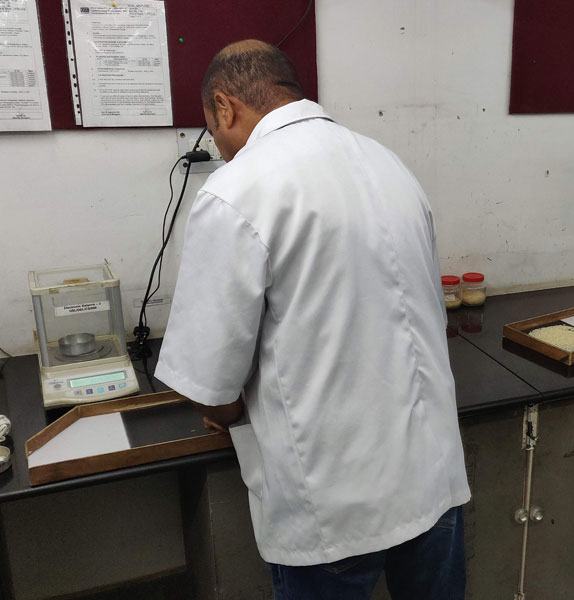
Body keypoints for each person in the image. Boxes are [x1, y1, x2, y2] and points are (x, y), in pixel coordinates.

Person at [154, 40, 471, 599]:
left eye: (212, 130)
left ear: (225, 107)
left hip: (332, 507)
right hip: (432, 478)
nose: (219, 148)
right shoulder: (387, 162)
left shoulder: (236, 191)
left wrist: (228, 413)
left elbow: (212, 385)